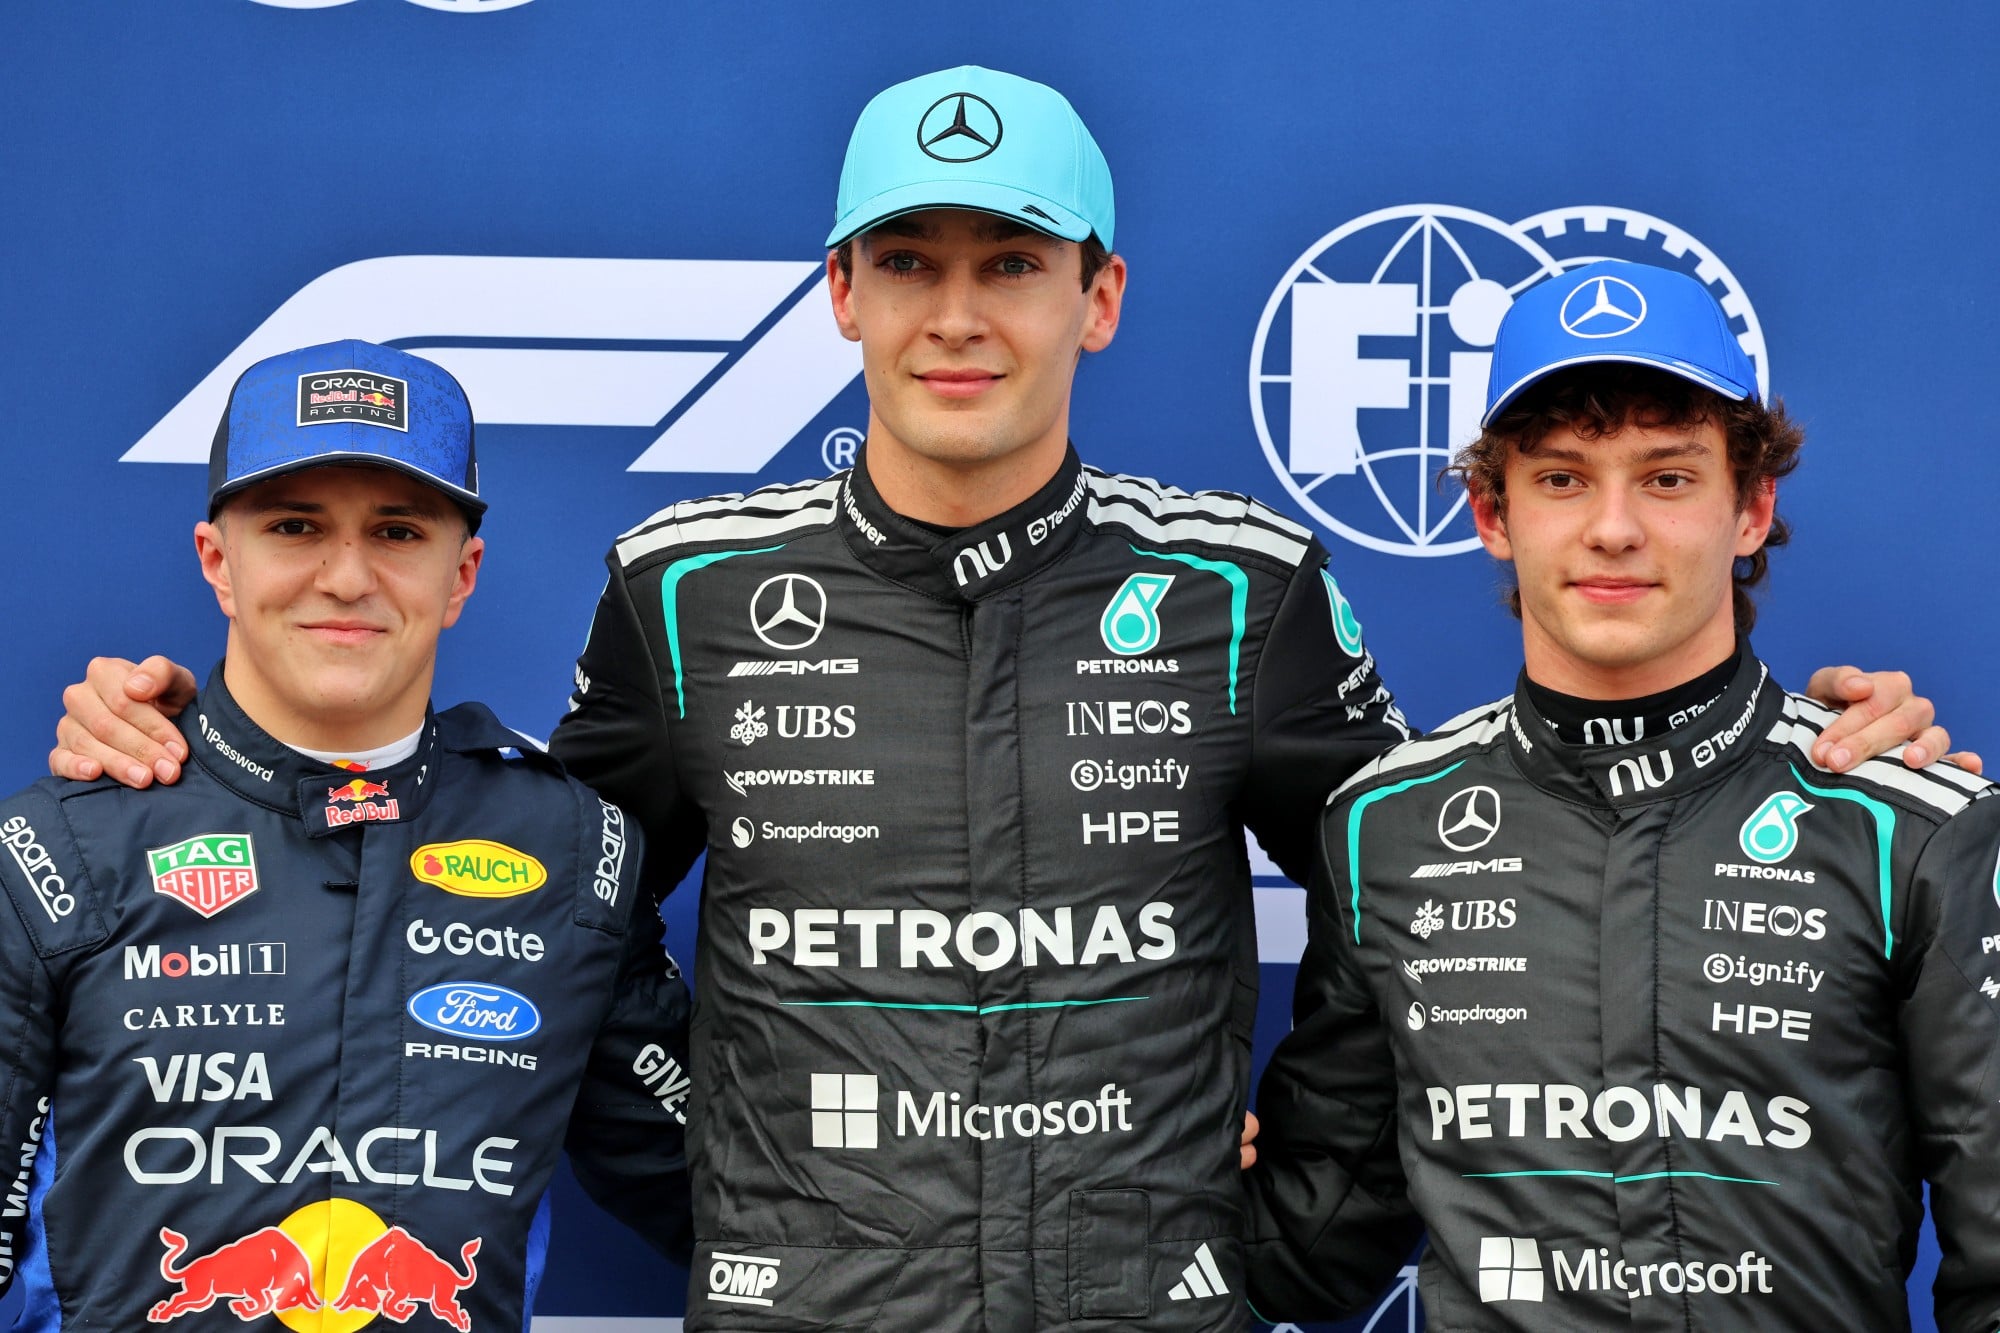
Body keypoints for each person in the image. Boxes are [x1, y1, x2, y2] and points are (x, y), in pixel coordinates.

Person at [45, 75, 1962, 1332]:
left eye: (1011, 266)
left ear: (1098, 298)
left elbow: (1453, 892)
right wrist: (184, 747)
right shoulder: (688, 587)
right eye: (914, 264)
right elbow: (537, 896)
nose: (961, 312)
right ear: (844, 298)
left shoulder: (1244, 590)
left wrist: (1814, 753)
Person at [1244, 261, 2000, 1331]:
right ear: (1489, 512)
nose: (1611, 528)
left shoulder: (1913, 827)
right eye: (1560, 478)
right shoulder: (1384, 828)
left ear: (1750, 508)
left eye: (1665, 477)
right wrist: (1151, 1161)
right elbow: (1311, 1244)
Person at [0, 341, 692, 1330]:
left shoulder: (574, 853)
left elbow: (719, 1191)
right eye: (294, 526)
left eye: (398, 531)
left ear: (462, 574)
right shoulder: (59, 850)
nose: (345, 576)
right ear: (218, 561)